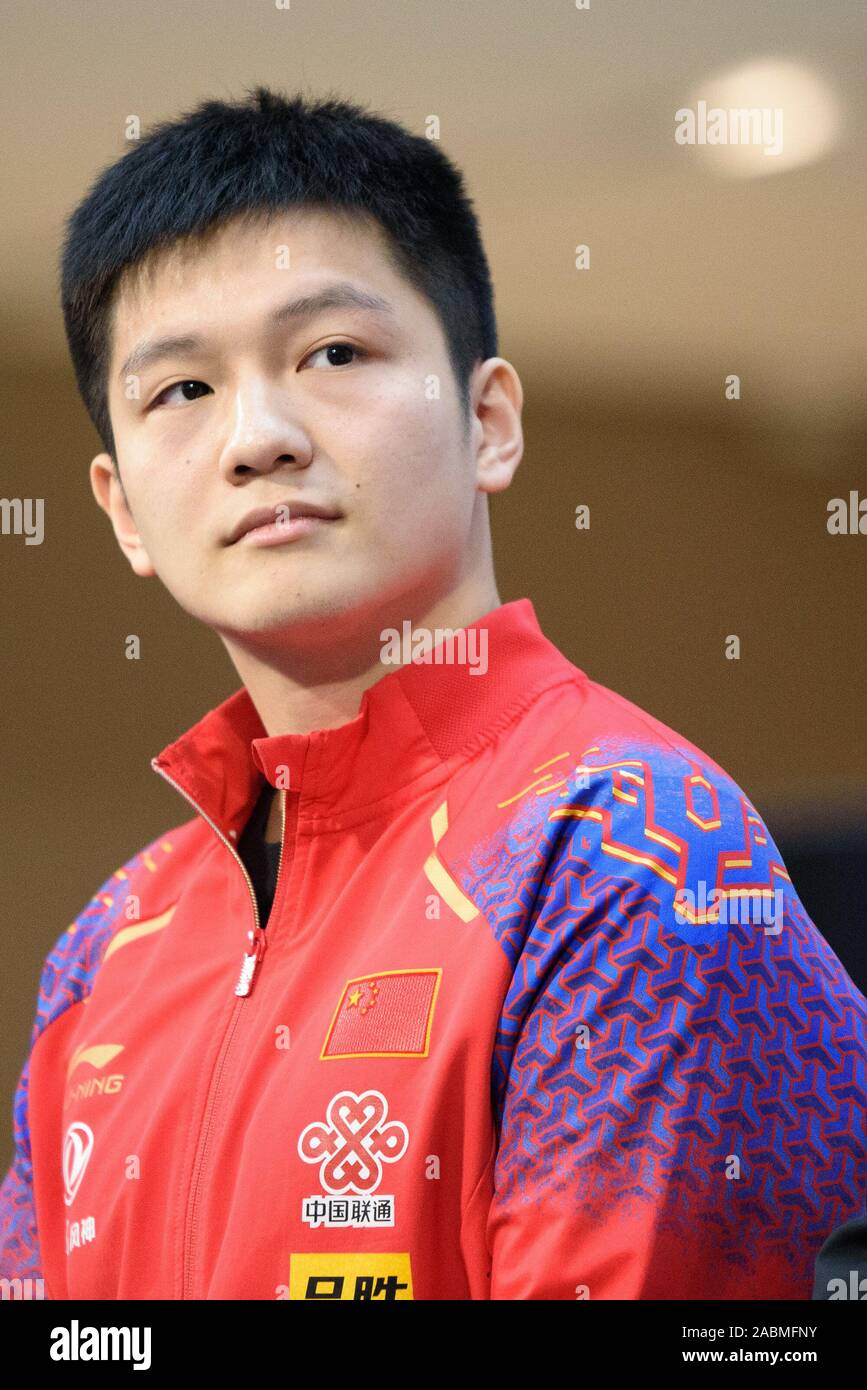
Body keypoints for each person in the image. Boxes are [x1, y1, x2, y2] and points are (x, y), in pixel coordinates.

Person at [1, 86, 865, 1302]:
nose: (259, 435)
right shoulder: (105, 949)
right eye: (180, 391)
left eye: (333, 354)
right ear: (122, 510)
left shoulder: (633, 858)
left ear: (490, 420)